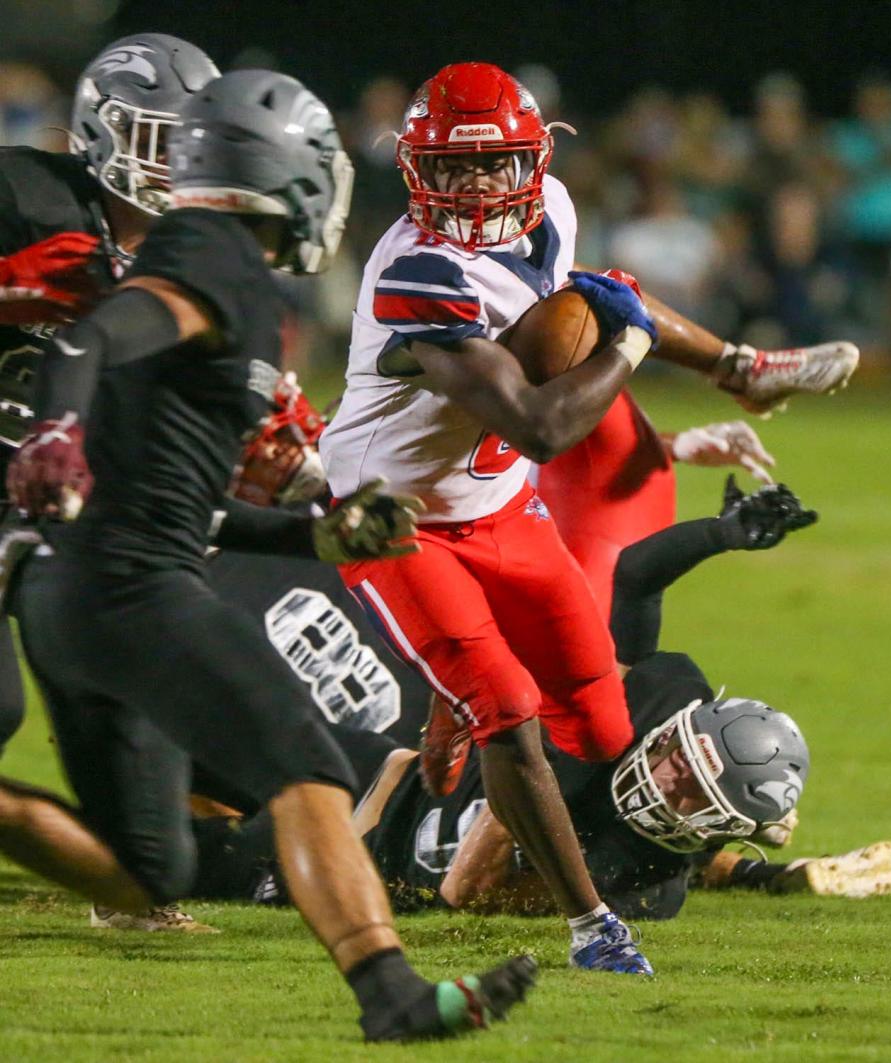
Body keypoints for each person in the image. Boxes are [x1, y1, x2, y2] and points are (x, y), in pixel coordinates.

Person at [0, 69, 536, 1042]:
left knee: (150, 867)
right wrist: (56, 429)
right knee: (308, 766)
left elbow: (182, 492)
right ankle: (390, 992)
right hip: (134, 587)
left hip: (67, 586)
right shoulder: (219, 257)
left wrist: (315, 535)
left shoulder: (196, 254)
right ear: (290, 175)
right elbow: (90, 340)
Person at [317, 61, 859, 976]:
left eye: (495, 167)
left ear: (535, 161)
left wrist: (618, 326)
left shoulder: (552, 209)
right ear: (416, 169)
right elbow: (542, 423)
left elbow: (566, 327)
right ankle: (592, 923)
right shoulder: (415, 270)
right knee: (510, 706)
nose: (477, 187)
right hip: (398, 521)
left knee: (602, 724)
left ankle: (742, 366)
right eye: (452, 168)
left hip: (498, 506)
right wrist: (633, 340)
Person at [187, 477, 891, 916]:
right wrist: (720, 534)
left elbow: (466, 891)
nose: (664, 774)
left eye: (688, 789)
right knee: (202, 736)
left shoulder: (640, 890)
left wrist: (546, 774)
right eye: (678, 756)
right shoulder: (662, 708)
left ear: (705, 826)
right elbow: (634, 576)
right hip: (391, 769)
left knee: (178, 860)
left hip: (374, 854)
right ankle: (764, 872)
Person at [0, 33, 221, 755]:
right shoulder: (25, 196)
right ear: (104, 127)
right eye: (159, 140)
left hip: (56, 508)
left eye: (191, 145)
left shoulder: (195, 257)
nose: (174, 165)